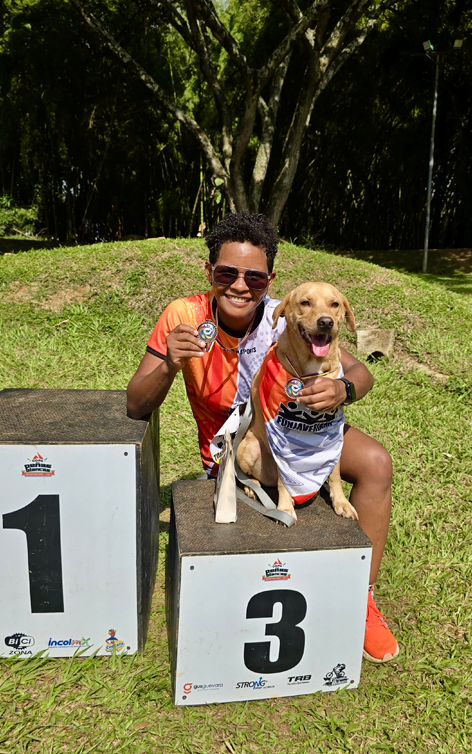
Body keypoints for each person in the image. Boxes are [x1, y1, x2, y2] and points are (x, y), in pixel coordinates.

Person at [127, 212, 398, 664]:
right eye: (227, 273)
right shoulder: (184, 316)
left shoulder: (288, 316)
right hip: (241, 449)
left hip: (301, 429)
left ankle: (363, 598)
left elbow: (359, 372)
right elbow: (137, 404)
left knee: (376, 462)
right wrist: (170, 364)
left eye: (253, 277)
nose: (239, 286)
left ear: (269, 281)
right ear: (209, 272)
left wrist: (342, 390)